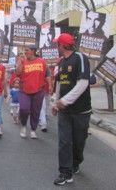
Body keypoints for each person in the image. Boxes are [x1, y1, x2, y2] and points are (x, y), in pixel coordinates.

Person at [52, 33, 92, 186]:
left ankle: (76, 162)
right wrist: (57, 103)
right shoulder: (61, 62)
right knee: (64, 141)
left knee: (78, 141)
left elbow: (83, 83)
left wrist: (65, 100)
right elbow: (59, 85)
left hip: (81, 111)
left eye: (58, 45)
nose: (57, 48)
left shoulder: (80, 58)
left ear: (63, 46)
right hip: (65, 112)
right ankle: (65, 172)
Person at [15, 47, 52, 139]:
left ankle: (33, 129)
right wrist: (22, 63)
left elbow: (47, 74)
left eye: (27, 50)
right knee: (24, 109)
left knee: (36, 111)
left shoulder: (42, 61)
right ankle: (23, 126)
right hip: (24, 91)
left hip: (39, 91)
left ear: (33, 51)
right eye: (25, 50)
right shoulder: (22, 61)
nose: (25, 52)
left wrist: (50, 85)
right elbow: (17, 73)